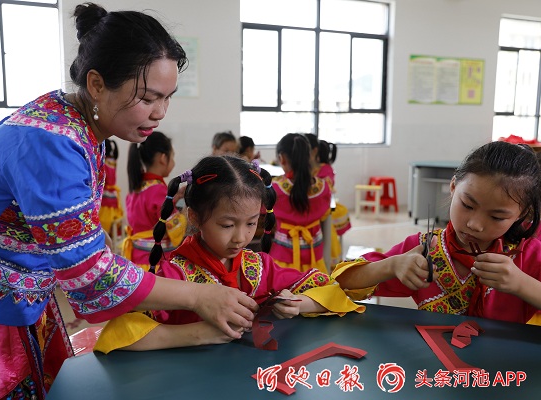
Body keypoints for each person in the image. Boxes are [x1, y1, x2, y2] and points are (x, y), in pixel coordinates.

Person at [0, 4, 257, 399]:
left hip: (12, 297)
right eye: (147, 98)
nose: (160, 113)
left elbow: (76, 241)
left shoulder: (79, 126)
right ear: (96, 84)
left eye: (167, 98)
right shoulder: (51, 144)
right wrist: (199, 295)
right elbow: (91, 276)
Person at [94, 155, 364, 352]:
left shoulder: (258, 268)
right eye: (227, 225)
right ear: (195, 217)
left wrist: (296, 304)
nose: (241, 237)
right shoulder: (173, 275)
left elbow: (329, 289)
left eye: (250, 223)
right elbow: (118, 334)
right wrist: (198, 334)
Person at [334, 141, 541, 324]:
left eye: (497, 217)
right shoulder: (425, 248)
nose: (475, 225)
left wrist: (522, 284)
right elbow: (342, 281)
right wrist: (392, 265)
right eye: (468, 205)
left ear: (521, 213)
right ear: (453, 186)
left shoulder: (528, 255)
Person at [123, 131, 187, 271]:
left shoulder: (137, 188)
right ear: (163, 158)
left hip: (138, 262)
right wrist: (187, 214)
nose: (174, 162)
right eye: (173, 156)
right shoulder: (159, 191)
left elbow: (151, 216)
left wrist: (174, 199)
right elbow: (176, 229)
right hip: (156, 264)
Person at [269, 134, 332, 273]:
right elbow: (324, 217)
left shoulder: (276, 188)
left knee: (283, 294)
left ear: (282, 158)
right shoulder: (323, 187)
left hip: (282, 260)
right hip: (314, 260)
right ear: (310, 156)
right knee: (314, 293)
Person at [99, 139, 124, 236]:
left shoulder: (103, 161)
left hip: (106, 196)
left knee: (103, 221)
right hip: (113, 195)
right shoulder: (112, 160)